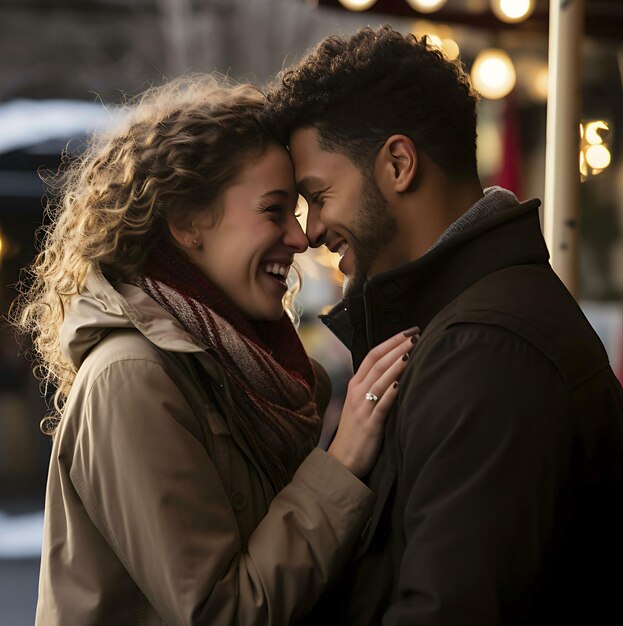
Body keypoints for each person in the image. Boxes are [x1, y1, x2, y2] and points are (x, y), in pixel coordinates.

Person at [11, 75, 418, 625]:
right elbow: (220, 612)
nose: (301, 239)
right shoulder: (132, 376)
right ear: (185, 221)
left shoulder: (242, 367)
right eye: (274, 210)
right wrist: (341, 463)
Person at [264, 26, 623, 625]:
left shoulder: (487, 351)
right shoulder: (461, 330)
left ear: (399, 164)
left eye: (318, 195)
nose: (311, 231)